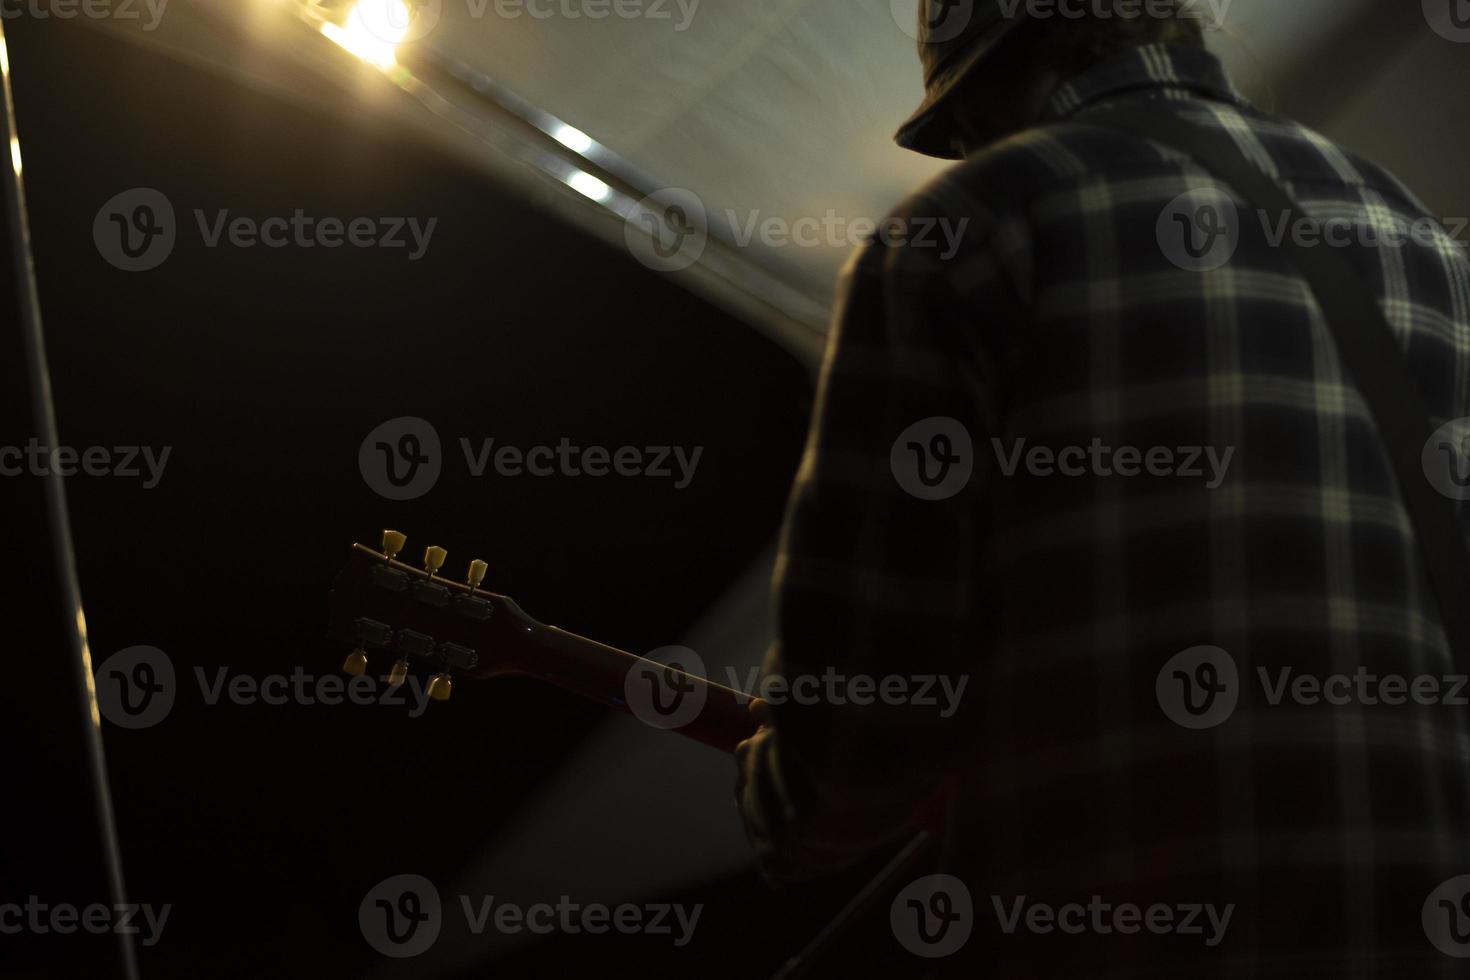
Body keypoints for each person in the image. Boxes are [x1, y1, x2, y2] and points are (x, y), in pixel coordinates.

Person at [735, 1, 1470, 975]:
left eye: (956, 129)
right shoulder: (1420, 233)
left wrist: (777, 794)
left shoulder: (969, 227)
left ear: (998, 75)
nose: (965, 152)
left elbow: (855, 755)